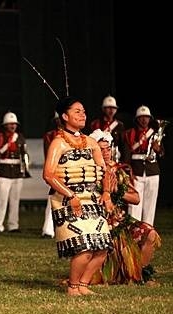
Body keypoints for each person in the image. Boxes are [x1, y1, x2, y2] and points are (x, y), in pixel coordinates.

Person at [43, 96, 113, 296]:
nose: (83, 115)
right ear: (65, 116)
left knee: (102, 247)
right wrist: (71, 195)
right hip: (67, 199)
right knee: (84, 247)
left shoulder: (91, 142)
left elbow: (105, 170)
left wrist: (106, 193)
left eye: (83, 111)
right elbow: (48, 174)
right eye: (77, 111)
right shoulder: (58, 143)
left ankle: (83, 284)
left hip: (92, 198)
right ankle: (73, 286)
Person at [89, 129, 161, 285]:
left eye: (108, 149)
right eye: (101, 150)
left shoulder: (118, 170)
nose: (106, 153)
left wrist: (119, 192)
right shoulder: (89, 173)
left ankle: (139, 276)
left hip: (120, 221)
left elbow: (136, 198)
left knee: (150, 234)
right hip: (98, 223)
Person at [120, 105, 164, 226]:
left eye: (147, 117)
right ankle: (133, 231)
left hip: (152, 171)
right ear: (137, 119)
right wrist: (128, 173)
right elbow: (126, 156)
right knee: (134, 205)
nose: (144, 120)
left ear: (150, 119)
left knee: (150, 204)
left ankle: (147, 230)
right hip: (136, 172)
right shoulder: (129, 134)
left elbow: (162, 153)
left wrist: (158, 149)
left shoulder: (155, 134)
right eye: (141, 117)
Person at [0, 111, 29, 233]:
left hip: (17, 172)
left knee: (15, 200)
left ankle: (13, 225)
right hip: (3, 172)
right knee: (2, 200)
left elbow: (24, 154)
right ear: (5, 125)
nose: (13, 126)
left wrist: (25, 169)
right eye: (10, 124)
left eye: (15, 124)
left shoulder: (20, 137)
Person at [40, 112, 61, 238]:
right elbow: (48, 156)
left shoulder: (76, 135)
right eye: (57, 119)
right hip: (56, 170)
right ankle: (48, 230)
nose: (59, 121)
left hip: (72, 171)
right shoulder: (50, 135)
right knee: (52, 199)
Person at [89, 95, 125, 162]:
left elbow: (123, 145)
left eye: (113, 108)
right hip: (100, 155)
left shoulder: (120, 125)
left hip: (115, 156)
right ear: (103, 109)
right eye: (108, 108)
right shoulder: (95, 124)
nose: (111, 110)